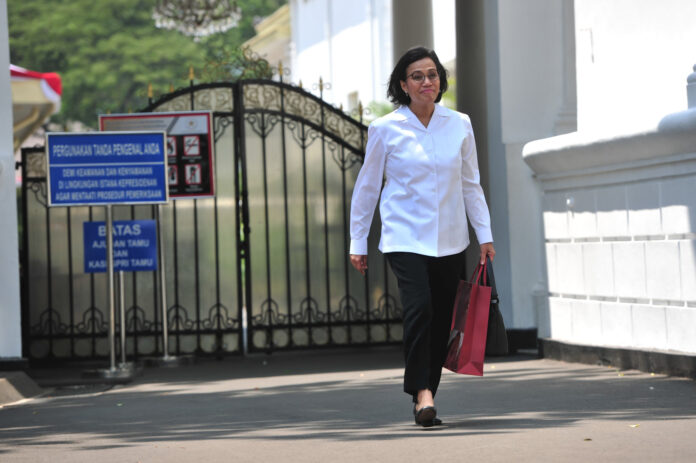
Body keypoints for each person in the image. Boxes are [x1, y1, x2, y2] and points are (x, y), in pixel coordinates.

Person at [349, 46, 495, 427]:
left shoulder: (459, 123)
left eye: (432, 74)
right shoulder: (385, 129)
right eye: (417, 76)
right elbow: (367, 189)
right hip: (404, 237)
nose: (427, 81)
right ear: (403, 84)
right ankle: (422, 393)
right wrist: (357, 241)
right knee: (421, 308)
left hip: (450, 238)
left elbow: (470, 184)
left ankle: (425, 394)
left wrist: (485, 235)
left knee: (444, 317)